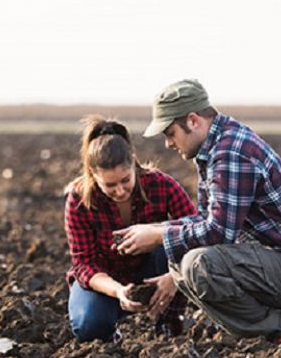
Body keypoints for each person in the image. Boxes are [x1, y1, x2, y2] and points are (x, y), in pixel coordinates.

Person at [116, 79, 281, 343]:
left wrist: (159, 236)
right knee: (181, 256)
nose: (168, 143)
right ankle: (270, 323)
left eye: (170, 133)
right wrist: (157, 232)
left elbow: (218, 232)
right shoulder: (215, 146)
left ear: (193, 121)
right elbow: (207, 219)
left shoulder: (231, 152)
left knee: (198, 264)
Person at [65, 116, 197, 341]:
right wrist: (118, 291)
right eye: (110, 185)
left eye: (125, 180)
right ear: (93, 175)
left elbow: (197, 230)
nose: (120, 191)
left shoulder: (161, 185)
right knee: (89, 326)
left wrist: (174, 277)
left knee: (173, 239)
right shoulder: (79, 200)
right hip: (107, 278)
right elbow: (84, 263)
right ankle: (110, 332)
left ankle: (169, 324)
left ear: (133, 164)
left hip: (154, 269)